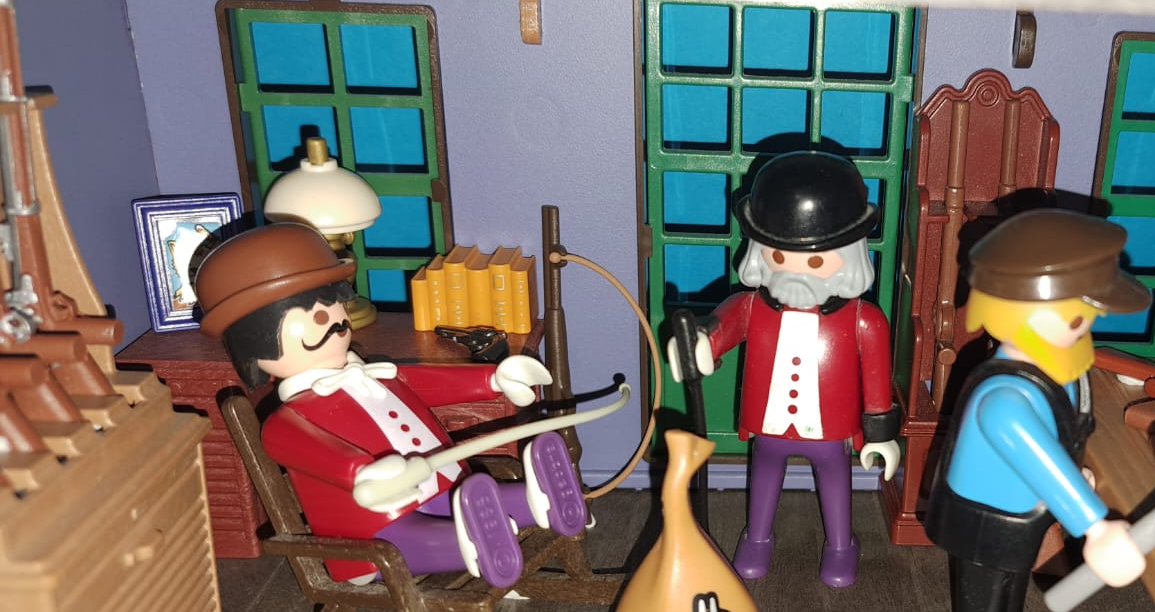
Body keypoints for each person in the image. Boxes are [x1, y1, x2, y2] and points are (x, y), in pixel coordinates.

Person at [194, 222, 585, 588]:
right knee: (418, 535)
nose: (329, 320)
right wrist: (362, 472)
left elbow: (429, 383)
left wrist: (494, 380)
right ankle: (476, 542)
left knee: (477, 499)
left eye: (330, 305)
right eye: (307, 314)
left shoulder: (375, 374)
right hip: (372, 528)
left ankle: (542, 500)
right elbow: (320, 454)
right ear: (255, 344)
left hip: (440, 485)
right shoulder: (286, 422)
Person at [925, 208, 1152, 612]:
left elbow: (1061, 431)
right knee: (984, 582)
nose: (1089, 325)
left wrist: (1078, 473)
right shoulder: (1005, 398)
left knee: (1014, 568)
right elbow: (1038, 458)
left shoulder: (1055, 366)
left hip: (1022, 506)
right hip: (984, 511)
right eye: (1078, 316)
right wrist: (1094, 526)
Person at [668, 151, 900, 588]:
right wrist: (697, 344)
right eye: (779, 255)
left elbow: (876, 384)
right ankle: (757, 538)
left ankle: (840, 545)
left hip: (830, 429)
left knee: (836, 483)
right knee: (764, 476)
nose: (795, 270)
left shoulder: (863, 320)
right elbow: (718, 329)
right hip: (769, 424)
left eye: (814, 260)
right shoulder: (750, 307)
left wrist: (881, 434)